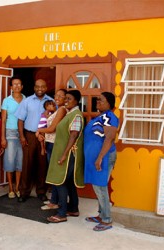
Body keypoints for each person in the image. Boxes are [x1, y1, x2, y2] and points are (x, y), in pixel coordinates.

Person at [46, 90, 85, 223]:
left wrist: (64, 155)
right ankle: (73, 208)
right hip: (64, 153)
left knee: (60, 182)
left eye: (69, 98)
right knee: (68, 182)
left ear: (76, 101)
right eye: (65, 98)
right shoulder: (70, 114)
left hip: (68, 155)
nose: (66, 100)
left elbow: (73, 136)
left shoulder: (76, 115)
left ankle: (62, 213)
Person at [84, 92, 119, 231]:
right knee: (98, 185)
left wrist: (99, 158)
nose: (98, 101)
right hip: (96, 157)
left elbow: (109, 138)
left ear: (109, 103)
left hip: (104, 156)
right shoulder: (100, 116)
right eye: (97, 99)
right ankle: (101, 215)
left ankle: (106, 220)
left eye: (101, 100)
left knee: (100, 186)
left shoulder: (110, 117)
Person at [15, 78, 54, 202]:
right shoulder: (27, 101)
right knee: (27, 164)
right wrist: (22, 136)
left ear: (46, 88)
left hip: (45, 137)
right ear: (34, 88)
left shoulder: (51, 102)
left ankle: (41, 191)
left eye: (42, 86)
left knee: (43, 164)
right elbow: (20, 120)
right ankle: (24, 192)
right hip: (30, 135)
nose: (40, 89)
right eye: (37, 86)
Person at [36, 89, 68, 210]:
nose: (58, 97)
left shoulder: (62, 110)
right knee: (52, 173)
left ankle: (55, 202)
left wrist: (38, 131)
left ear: (66, 98)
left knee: (55, 174)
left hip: (56, 144)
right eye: (56, 95)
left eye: (61, 95)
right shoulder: (55, 110)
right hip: (50, 143)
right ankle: (54, 200)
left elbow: (52, 128)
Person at [1, 76, 25, 199]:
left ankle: (17, 187)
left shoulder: (25, 99)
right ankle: (10, 187)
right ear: (11, 87)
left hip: (22, 133)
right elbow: (3, 120)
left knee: (19, 161)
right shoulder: (7, 100)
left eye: (19, 84)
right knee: (10, 160)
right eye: (14, 84)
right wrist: (2, 137)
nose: (16, 86)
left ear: (22, 86)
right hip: (10, 132)